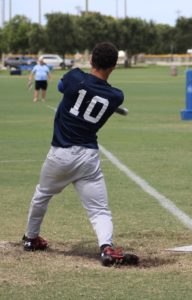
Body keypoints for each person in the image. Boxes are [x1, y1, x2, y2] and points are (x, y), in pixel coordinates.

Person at [22, 42, 139, 266]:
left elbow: (62, 88)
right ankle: (106, 248)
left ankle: (31, 238)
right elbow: (98, 93)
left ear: (91, 61)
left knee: (42, 195)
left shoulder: (75, 77)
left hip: (60, 155)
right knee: (99, 209)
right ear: (114, 66)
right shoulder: (116, 96)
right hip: (88, 157)